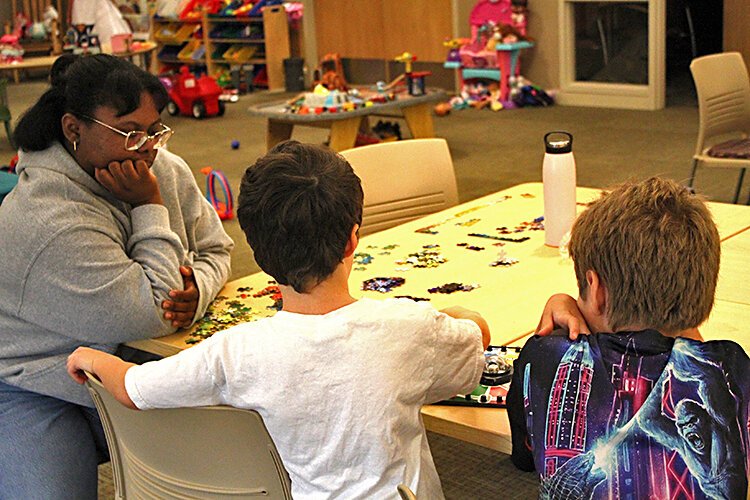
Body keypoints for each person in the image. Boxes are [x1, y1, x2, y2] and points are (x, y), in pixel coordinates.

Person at [67, 140, 491, 499]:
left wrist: (91, 358)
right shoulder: (408, 327)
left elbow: (132, 388)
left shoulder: (235, 351)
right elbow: (475, 345)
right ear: (351, 240)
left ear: (259, 251)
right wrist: (451, 313)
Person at [0, 54, 233, 498]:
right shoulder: (47, 218)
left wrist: (197, 289)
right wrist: (149, 205)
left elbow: (216, 247)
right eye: (129, 132)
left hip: (121, 362)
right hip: (32, 381)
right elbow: (153, 313)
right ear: (74, 130)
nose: (147, 146)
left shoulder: (161, 166)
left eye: (153, 129)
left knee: (229, 443)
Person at [506, 177, 750, 499]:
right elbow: (690, 352)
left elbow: (524, 458)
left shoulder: (546, 355)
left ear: (595, 288)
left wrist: (562, 304)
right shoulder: (732, 368)